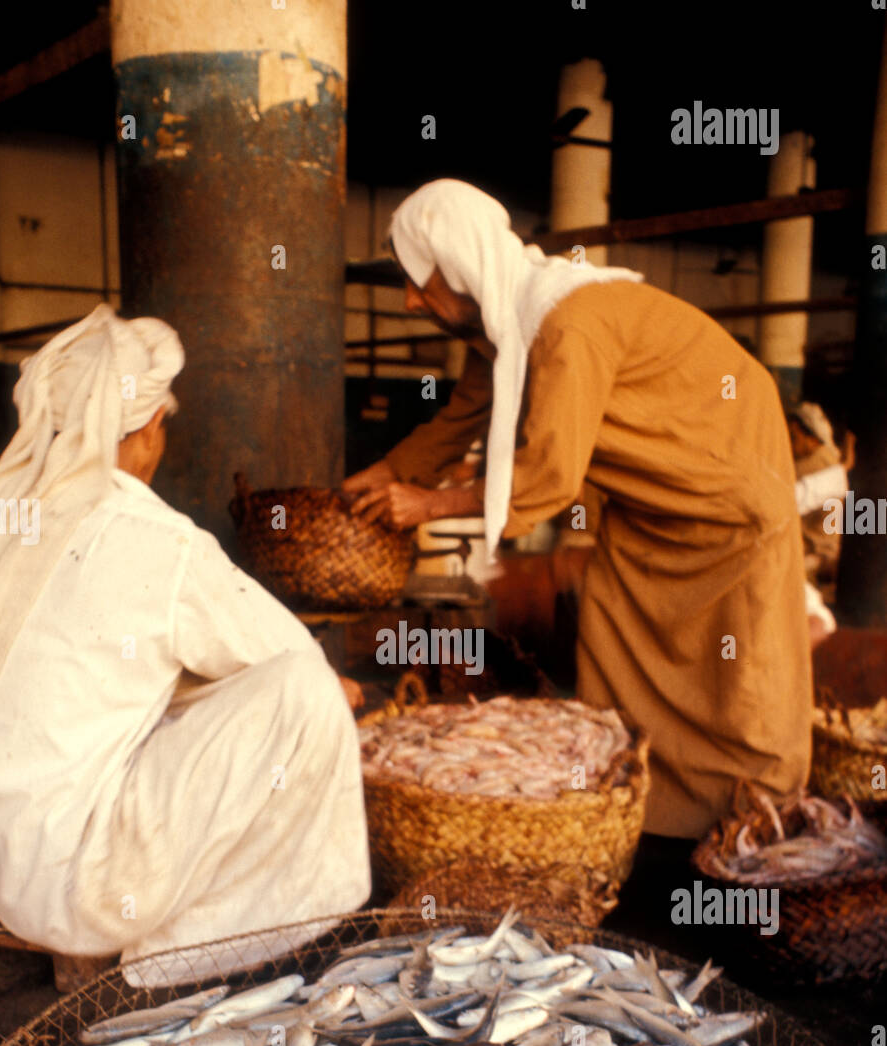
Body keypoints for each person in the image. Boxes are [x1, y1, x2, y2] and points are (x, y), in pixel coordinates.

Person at [345, 180, 813, 840]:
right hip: (652, 504)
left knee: (742, 678)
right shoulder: (502, 325)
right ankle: (650, 815)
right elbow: (460, 419)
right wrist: (382, 475)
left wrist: (430, 503)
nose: (409, 300)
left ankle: (760, 823)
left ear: (458, 265)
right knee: (613, 628)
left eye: (419, 282)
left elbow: (548, 477)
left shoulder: (568, 325)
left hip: (726, 495)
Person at [0, 305, 370, 964]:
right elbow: (290, 657)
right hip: (80, 885)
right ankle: (195, 954)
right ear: (151, 426)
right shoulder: (157, 539)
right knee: (307, 692)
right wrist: (342, 688)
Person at [787, 401, 848, 600]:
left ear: (813, 438)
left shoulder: (818, 462)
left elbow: (784, 498)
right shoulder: (823, 458)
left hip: (817, 554)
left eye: (794, 437)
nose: (789, 443)